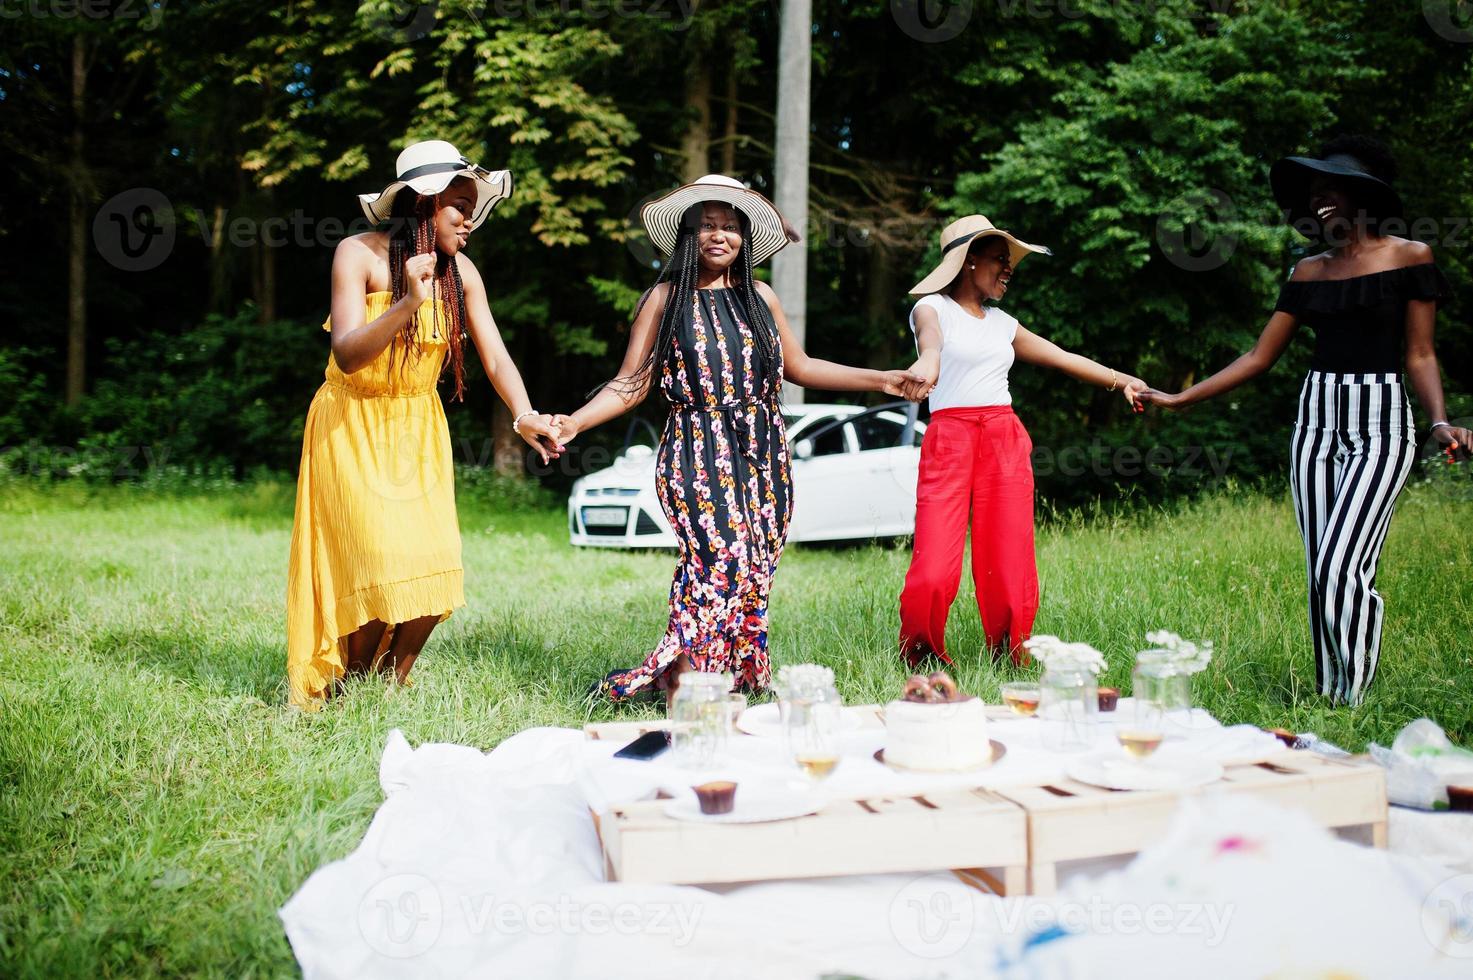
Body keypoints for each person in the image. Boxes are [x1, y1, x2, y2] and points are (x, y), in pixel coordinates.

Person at [554, 174, 926, 704]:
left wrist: (881, 380)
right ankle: (685, 680)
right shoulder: (664, 300)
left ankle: (721, 677)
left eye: (730, 226)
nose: (719, 235)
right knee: (720, 557)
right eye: (707, 225)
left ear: (744, 236)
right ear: (689, 234)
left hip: (763, 449)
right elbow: (631, 383)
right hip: (696, 446)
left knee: (754, 565)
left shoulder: (760, 298)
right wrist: (574, 421)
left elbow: (799, 366)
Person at [1138, 135, 1468, 706]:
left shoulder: (1411, 257)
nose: (1320, 201)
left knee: (1343, 567)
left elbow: (1420, 353)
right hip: (1315, 425)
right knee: (1321, 572)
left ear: (1363, 195)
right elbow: (1259, 357)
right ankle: (1327, 692)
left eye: (1332, 189)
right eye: (1313, 194)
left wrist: (1438, 421)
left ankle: (1352, 703)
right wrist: (1177, 399)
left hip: (1381, 424)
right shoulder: (1308, 273)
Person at [286, 140, 563, 710]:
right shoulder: (355, 254)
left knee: (433, 564)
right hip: (351, 423)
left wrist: (525, 413)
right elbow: (347, 353)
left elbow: (495, 355)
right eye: (460, 206)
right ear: (422, 203)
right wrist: (408, 301)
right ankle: (351, 686)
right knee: (376, 559)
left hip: (416, 425)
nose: (470, 220)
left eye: (473, 207)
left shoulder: (462, 273)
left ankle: (388, 681)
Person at [897, 215, 1145, 668]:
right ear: (969, 262)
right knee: (934, 565)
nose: (1008, 269)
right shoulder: (932, 308)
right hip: (950, 436)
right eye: (1000, 260)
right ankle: (922, 652)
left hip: (1002, 436)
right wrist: (927, 364)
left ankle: (1010, 653)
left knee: (1008, 555)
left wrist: (1122, 380)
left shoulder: (1003, 323)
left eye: (1010, 263)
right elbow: (929, 341)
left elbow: (1061, 356)